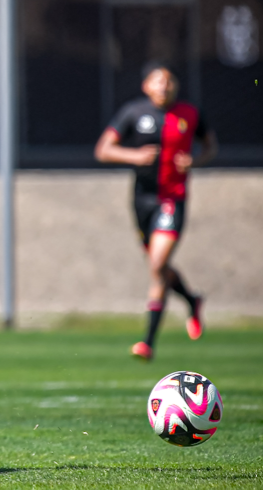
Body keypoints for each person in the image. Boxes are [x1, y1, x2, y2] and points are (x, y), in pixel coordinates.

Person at [94, 62, 218, 361]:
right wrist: (134, 155)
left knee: (158, 264)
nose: (164, 86)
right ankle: (191, 299)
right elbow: (103, 150)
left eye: (169, 80)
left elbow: (210, 146)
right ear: (146, 86)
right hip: (141, 201)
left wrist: (195, 161)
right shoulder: (133, 113)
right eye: (157, 81)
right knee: (157, 266)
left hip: (172, 199)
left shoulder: (190, 114)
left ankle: (148, 342)